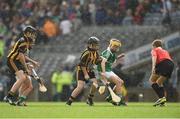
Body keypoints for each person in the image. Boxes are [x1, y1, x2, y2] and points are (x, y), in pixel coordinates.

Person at [4, 26, 39, 106]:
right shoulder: (23, 41)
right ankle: (8, 96)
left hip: (17, 61)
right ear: (27, 33)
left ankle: (20, 101)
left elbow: (23, 56)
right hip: (12, 60)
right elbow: (20, 56)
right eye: (32, 34)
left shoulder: (26, 41)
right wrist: (26, 67)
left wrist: (32, 62)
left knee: (29, 85)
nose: (34, 36)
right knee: (22, 78)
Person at [66, 36, 102, 106]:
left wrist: (100, 60)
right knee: (80, 87)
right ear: (90, 45)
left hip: (90, 70)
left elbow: (96, 62)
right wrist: (85, 74)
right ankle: (69, 101)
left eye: (97, 44)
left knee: (95, 84)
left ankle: (89, 99)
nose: (97, 46)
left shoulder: (96, 53)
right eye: (95, 44)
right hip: (81, 70)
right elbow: (82, 64)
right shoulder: (86, 53)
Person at [97, 38, 126, 106]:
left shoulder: (112, 53)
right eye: (115, 46)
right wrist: (103, 73)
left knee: (121, 82)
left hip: (108, 70)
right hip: (103, 70)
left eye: (117, 47)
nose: (116, 48)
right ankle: (119, 100)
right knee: (118, 82)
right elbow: (103, 62)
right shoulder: (107, 52)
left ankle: (110, 97)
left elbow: (111, 61)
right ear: (110, 45)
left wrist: (119, 57)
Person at [149, 39, 174, 106]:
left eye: (152, 46)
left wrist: (153, 67)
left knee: (152, 80)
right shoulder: (165, 51)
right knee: (159, 82)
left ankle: (161, 98)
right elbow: (168, 59)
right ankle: (162, 102)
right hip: (171, 64)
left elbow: (154, 57)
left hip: (163, 63)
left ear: (154, 46)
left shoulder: (154, 50)